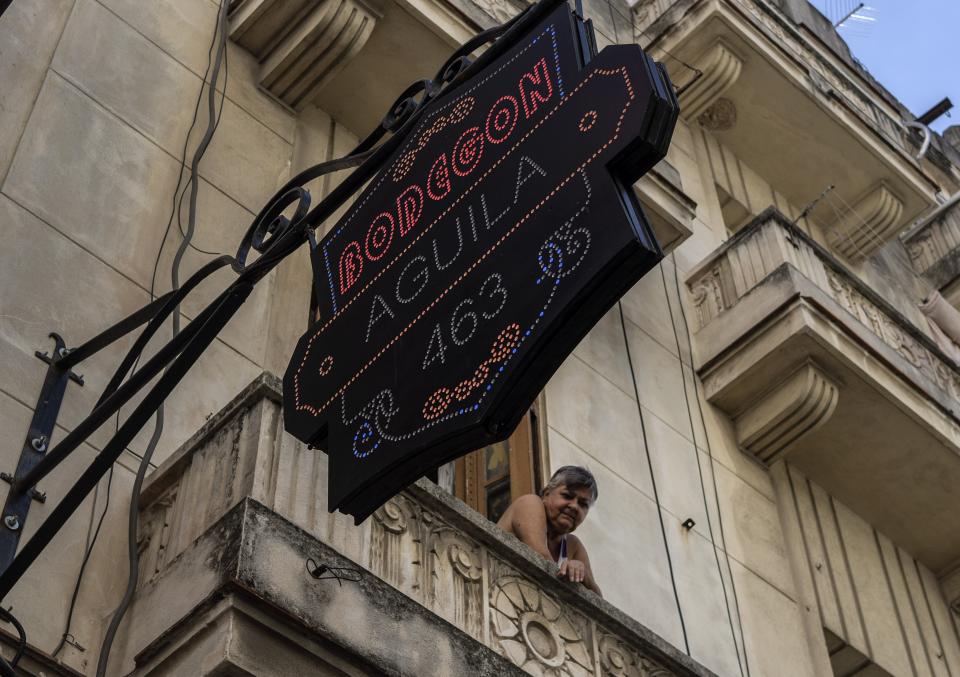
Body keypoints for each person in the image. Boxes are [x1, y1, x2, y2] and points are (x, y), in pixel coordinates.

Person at [496, 466, 602, 596]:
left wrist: (583, 574)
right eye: (567, 496)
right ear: (546, 494)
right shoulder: (530, 503)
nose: (574, 506)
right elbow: (539, 557)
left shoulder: (572, 544)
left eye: (583, 504)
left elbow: (597, 599)